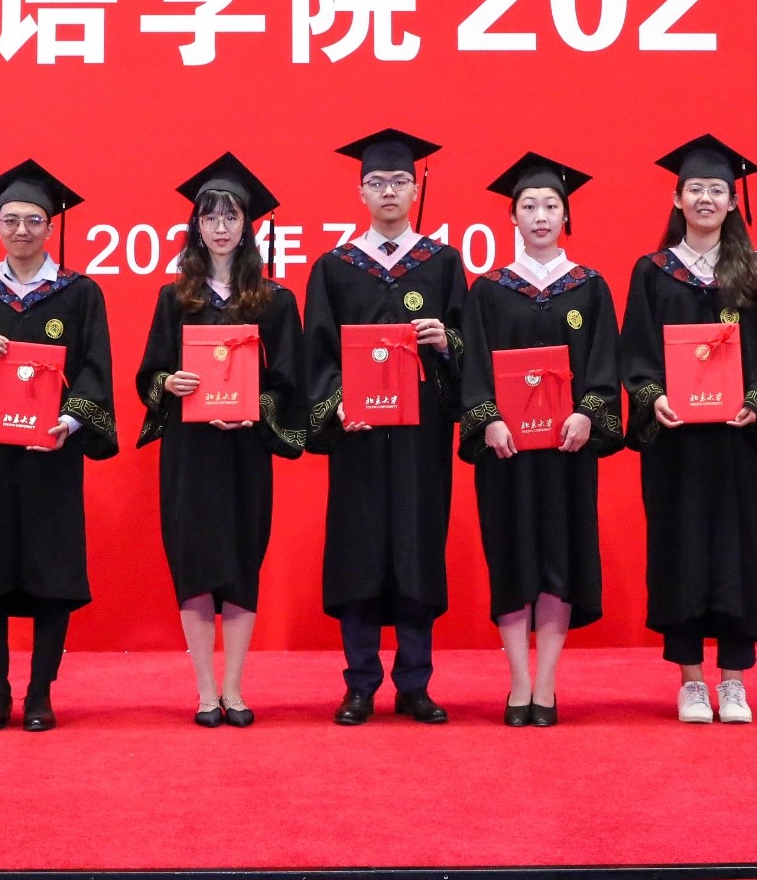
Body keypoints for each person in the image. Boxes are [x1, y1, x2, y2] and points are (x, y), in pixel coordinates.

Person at [0, 161, 117, 733]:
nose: (21, 230)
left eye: (34, 220)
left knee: (51, 574)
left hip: (50, 456)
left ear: (51, 227)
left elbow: (95, 370)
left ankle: (40, 692)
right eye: (10, 220)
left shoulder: (80, 293)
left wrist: (70, 421)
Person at [618, 136, 757, 726]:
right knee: (681, 550)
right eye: (694, 188)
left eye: (716, 190)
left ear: (732, 202)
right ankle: (692, 681)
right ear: (677, 199)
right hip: (676, 442)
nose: (705, 198)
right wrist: (653, 397)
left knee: (739, 551)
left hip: (739, 439)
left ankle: (736, 680)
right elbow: (636, 353)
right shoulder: (653, 273)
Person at [134, 153, 308, 727]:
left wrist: (255, 408)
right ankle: (205, 691)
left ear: (246, 224)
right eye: (209, 217)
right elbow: (149, 375)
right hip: (190, 452)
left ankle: (234, 687)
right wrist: (170, 383)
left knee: (239, 560)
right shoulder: (174, 299)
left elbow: (290, 383)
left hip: (244, 451)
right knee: (194, 561)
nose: (220, 227)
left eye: (231, 216)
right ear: (196, 226)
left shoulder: (276, 301)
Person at [303, 127, 468, 726]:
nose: (389, 191)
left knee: (418, 548)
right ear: (361, 192)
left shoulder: (443, 263)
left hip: (422, 437)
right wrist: (337, 404)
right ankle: (360, 684)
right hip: (361, 438)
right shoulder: (335, 267)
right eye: (377, 182)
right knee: (360, 551)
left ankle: (415, 684)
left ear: (416, 189)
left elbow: (470, 347)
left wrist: (446, 342)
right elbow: (317, 355)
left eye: (400, 181)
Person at [456, 153, 624, 726]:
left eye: (551, 205)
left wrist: (588, 413)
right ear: (513, 217)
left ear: (566, 215)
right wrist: (488, 419)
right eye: (529, 206)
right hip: (505, 451)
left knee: (560, 556)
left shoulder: (589, 288)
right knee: (512, 556)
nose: (541, 216)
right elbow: (474, 365)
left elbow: (604, 363)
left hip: (567, 449)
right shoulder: (489, 290)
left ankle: (546, 685)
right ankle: (518, 683)